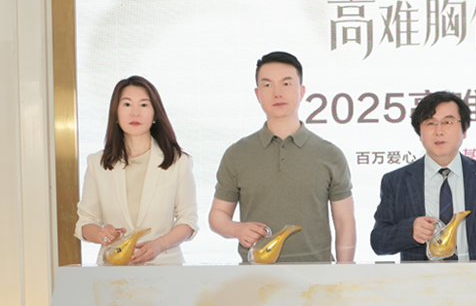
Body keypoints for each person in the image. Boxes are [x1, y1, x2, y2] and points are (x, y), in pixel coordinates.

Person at [209, 51, 356, 263]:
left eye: (286, 84)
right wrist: (236, 229)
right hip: (255, 273)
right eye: (267, 85)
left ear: (301, 91)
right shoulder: (237, 154)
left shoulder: (330, 154)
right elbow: (218, 215)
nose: (277, 93)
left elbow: (344, 221)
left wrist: (344, 271)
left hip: (317, 273)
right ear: (257, 94)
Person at [370, 91, 476, 261]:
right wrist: (409, 231)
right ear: (420, 132)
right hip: (420, 277)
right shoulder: (396, 181)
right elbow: (378, 242)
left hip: (475, 276)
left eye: (448, 122)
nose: (439, 131)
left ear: (464, 129)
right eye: (430, 123)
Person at [76, 75, 198, 264]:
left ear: (155, 113)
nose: (135, 113)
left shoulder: (178, 162)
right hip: (113, 268)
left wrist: (160, 244)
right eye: (127, 104)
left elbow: (188, 221)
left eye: (143, 105)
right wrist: (101, 234)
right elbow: (85, 222)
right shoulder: (97, 163)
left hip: (164, 267)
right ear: (115, 112)